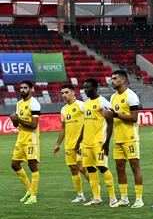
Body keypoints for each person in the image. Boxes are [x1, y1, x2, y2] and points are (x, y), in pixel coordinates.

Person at [101, 70, 144, 208]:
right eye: (111, 78)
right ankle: (124, 198)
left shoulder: (131, 95)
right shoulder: (113, 97)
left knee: (134, 167)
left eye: (115, 78)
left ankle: (139, 199)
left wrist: (116, 115)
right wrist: (107, 141)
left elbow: (134, 117)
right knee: (119, 167)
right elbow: (112, 119)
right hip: (118, 139)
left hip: (130, 137)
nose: (111, 81)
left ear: (123, 80)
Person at [78, 78, 118, 207]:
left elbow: (111, 123)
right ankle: (96, 197)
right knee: (90, 169)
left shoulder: (103, 102)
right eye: (84, 88)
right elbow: (85, 124)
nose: (85, 90)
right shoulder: (85, 104)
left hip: (99, 142)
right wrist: (79, 141)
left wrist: (107, 143)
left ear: (95, 88)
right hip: (87, 143)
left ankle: (113, 197)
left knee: (102, 167)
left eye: (88, 87)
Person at [54, 83, 90, 202]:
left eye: (66, 92)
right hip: (69, 144)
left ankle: (96, 187)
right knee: (73, 168)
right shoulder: (63, 109)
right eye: (62, 93)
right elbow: (63, 128)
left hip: (81, 143)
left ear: (73, 92)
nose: (64, 95)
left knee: (81, 166)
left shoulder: (81, 105)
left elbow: (89, 123)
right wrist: (58, 143)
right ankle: (80, 195)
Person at [10, 80, 41, 205]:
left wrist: (18, 119)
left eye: (25, 88)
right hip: (21, 138)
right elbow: (17, 124)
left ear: (30, 89)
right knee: (14, 165)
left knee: (32, 166)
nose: (22, 90)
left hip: (31, 139)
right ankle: (29, 188)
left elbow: (34, 125)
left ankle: (33, 196)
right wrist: (14, 120)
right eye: (21, 88)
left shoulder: (34, 103)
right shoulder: (19, 104)